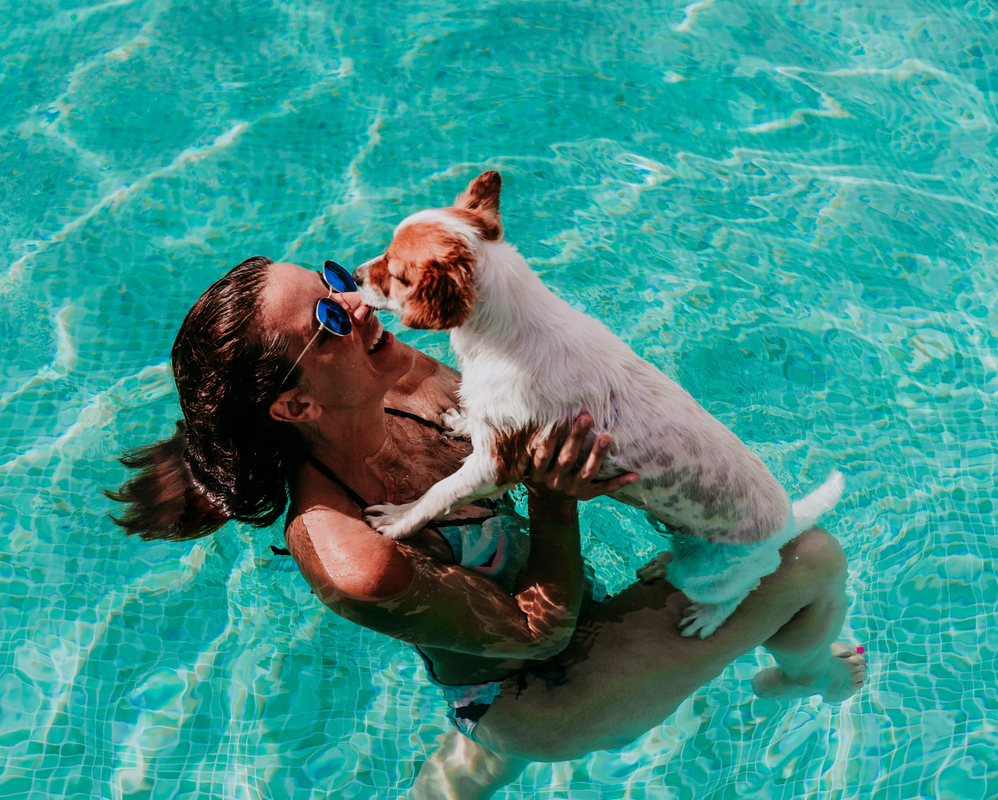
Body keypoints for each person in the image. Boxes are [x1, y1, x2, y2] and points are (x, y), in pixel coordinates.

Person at [107, 256, 866, 798]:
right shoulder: (348, 556)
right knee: (809, 558)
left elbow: (532, 412)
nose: (362, 305)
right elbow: (538, 634)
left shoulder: (399, 379)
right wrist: (555, 496)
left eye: (336, 279)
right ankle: (810, 676)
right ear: (294, 407)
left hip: (504, 640)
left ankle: (458, 776)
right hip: (543, 690)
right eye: (330, 319)